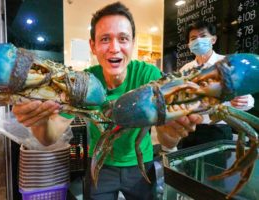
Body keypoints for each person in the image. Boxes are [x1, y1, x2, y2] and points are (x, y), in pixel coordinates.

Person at [12, 2, 203, 199]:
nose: (114, 48)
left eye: (123, 39)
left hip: (141, 166)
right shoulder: (82, 82)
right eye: (105, 39)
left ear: (132, 43)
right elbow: (49, 137)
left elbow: (166, 140)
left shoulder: (149, 77)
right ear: (92, 46)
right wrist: (39, 121)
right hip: (100, 166)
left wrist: (172, 131)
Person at [178, 20, 254, 149]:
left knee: (214, 168)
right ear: (189, 44)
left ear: (213, 40)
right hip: (189, 128)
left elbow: (248, 99)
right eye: (193, 38)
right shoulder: (185, 69)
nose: (198, 40)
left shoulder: (227, 64)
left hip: (218, 129)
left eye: (203, 36)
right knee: (184, 167)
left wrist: (244, 101)